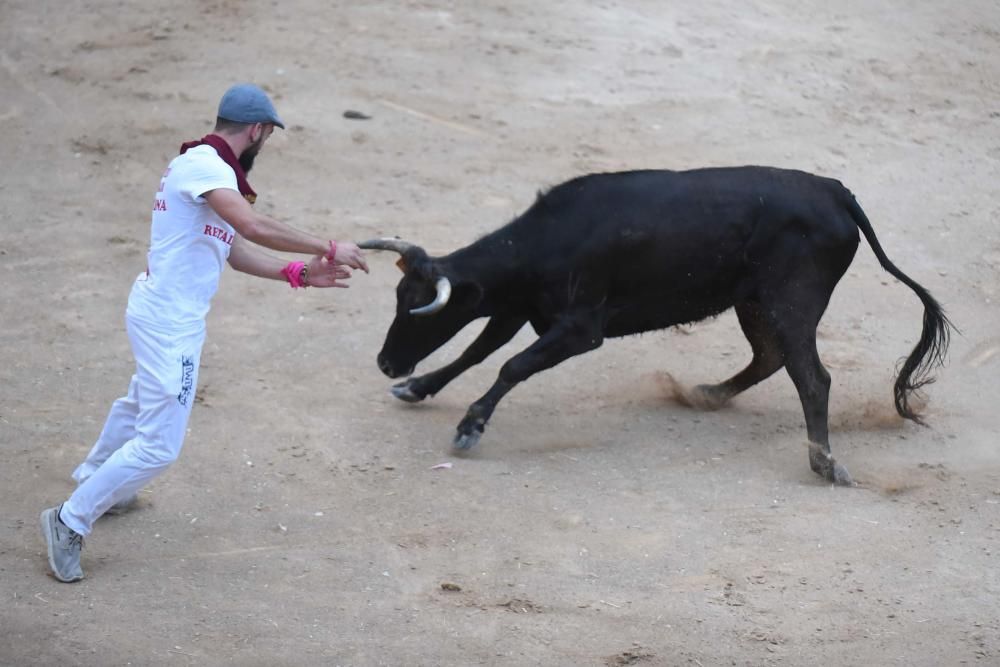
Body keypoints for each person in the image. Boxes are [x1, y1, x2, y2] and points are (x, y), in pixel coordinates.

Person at [40, 83, 370, 582]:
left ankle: (98, 478)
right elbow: (252, 226)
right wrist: (328, 245)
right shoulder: (206, 166)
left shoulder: (213, 175)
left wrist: (297, 272)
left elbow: (232, 247)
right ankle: (69, 520)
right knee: (159, 446)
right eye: (266, 137)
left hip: (170, 315)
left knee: (141, 401)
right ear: (257, 130)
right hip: (167, 320)